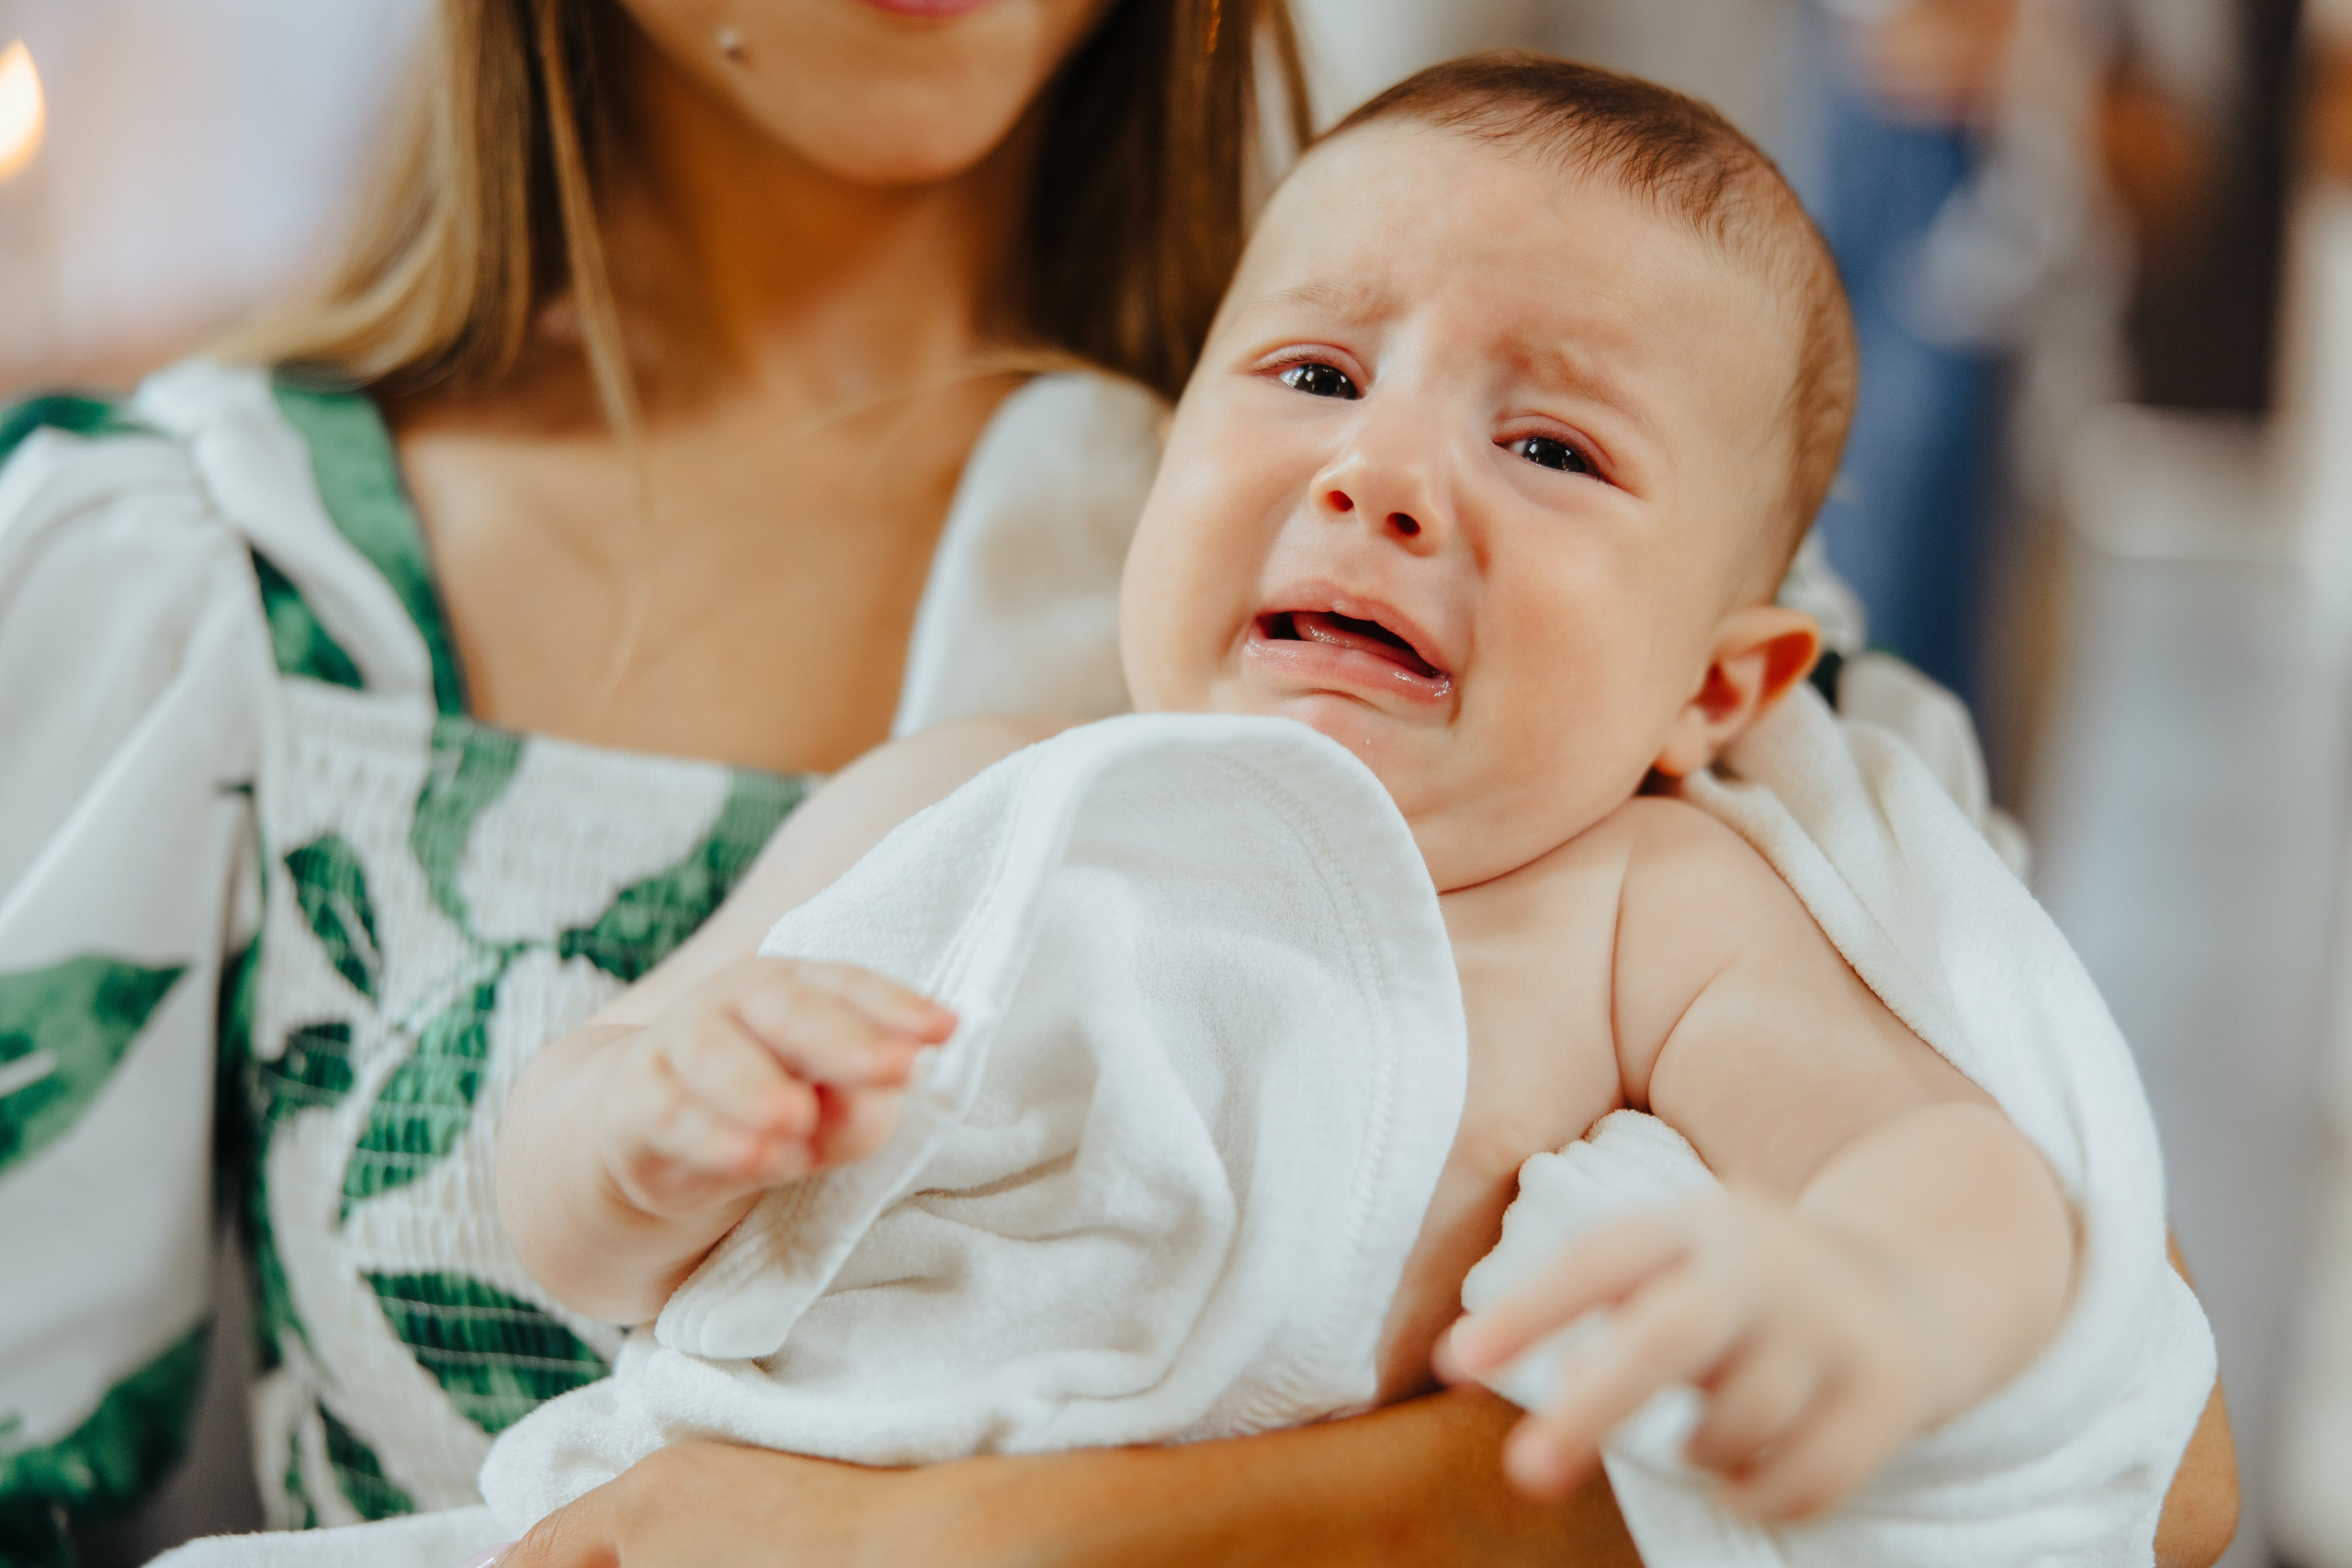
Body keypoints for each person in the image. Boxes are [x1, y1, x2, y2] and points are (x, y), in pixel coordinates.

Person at [0, 15, 2233, 1568]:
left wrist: (1853, 1305)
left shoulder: (1660, 884)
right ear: (1157, 470)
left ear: (1718, 675)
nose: (1382, 471)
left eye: (1545, 448)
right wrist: (658, 1108)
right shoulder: (988, 784)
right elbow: (562, 1195)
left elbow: (1997, 1232)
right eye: (1316, 378)